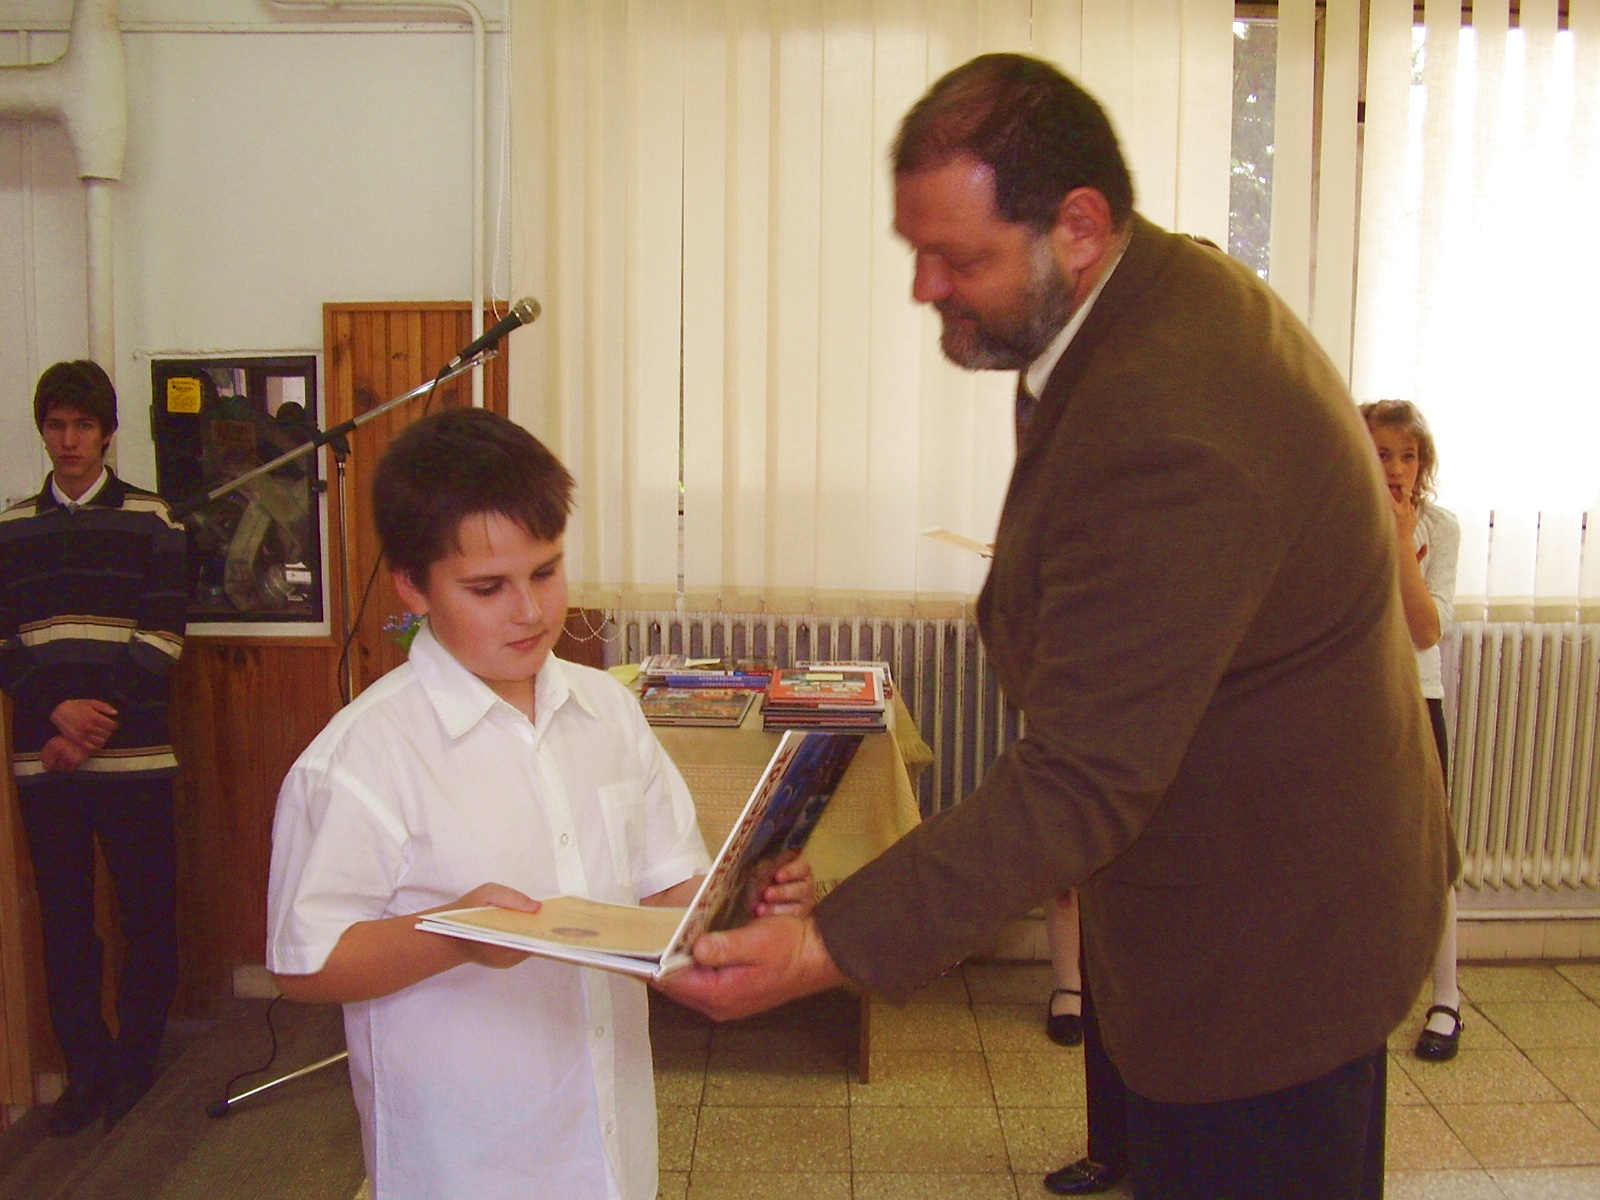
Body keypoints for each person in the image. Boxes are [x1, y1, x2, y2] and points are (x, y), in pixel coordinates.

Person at [661, 53, 1456, 1200]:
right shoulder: (1148, 297)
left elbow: (1085, 773)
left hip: (1266, 955)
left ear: (1077, 226)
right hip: (1248, 893)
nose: (924, 287)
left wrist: (830, 944)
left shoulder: (1174, 418)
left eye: (958, 257)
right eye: (916, 251)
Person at [264, 407, 811, 1200]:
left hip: (608, 1144)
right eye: (488, 587)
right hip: (464, 1165)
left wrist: (741, 898)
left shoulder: (608, 709)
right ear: (413, 586)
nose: (529, 610)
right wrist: (458, 935)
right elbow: (305, 962)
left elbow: (664, 887)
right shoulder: (361, 758)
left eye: (546, 572)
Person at [0, 360, 188, 1135]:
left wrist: (89, 726)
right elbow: (4, 644)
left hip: (132, 759)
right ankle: (87, 1072)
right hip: (45, 762)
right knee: (67, 923)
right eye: (57, 425)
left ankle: (137, 1063)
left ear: (108, 433)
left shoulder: (154, 520)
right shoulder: (11, 528)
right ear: (42, 431)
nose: (69, 440)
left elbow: (163, 635)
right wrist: (57, 714)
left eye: (83, 425)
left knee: (149, 914)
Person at [1361, 399, 1463, 1063]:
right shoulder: (1338, 516)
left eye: (1409, 455)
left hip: (1417, 699)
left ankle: (1447, 999)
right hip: (1356, 702)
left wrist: (1401, 543)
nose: (1397, 469)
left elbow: (1426, 629)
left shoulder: (1439, 528)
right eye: (1382, 454)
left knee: (1431, 852)